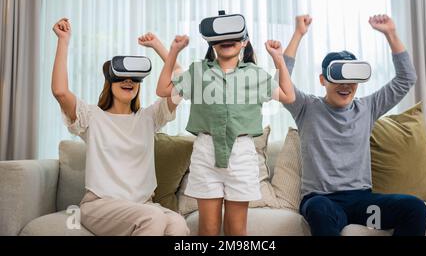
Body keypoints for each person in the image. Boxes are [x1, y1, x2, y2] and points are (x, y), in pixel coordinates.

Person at [283, 14, 426, 236]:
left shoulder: (367, 108)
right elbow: (282, 84)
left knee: (414, 208)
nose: (345, 85)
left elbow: (406, 78)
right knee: (320, 210)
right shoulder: (307, 108)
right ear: (322, 80)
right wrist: (298, 34)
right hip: (324, 202)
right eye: (338, 77)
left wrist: (391, 34)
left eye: (351, 78)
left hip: (363, 206)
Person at [156, 13, 296, 235]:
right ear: (211, 43)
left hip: (242, 154)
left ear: (244, 42)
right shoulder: (198, 71)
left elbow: (288, 95)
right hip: (206, 152)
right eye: (220, 38)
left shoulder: (255, 75)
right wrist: (173, 52)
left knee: (236, 231)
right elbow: (163, 90)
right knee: (208, 230)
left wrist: (278, 58)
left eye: (233, 36)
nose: (227, 41)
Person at [51, 18, 189, 236]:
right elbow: (60, 92)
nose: (129, 81)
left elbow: (182, 80)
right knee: (152, 218)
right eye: (122, 77)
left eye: (135, 78)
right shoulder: (91, 117)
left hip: (143, 205)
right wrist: (63, 41)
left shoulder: (149, 117)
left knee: (178, 225)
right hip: (100, 205)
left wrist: (162, 48)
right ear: (109, 82)